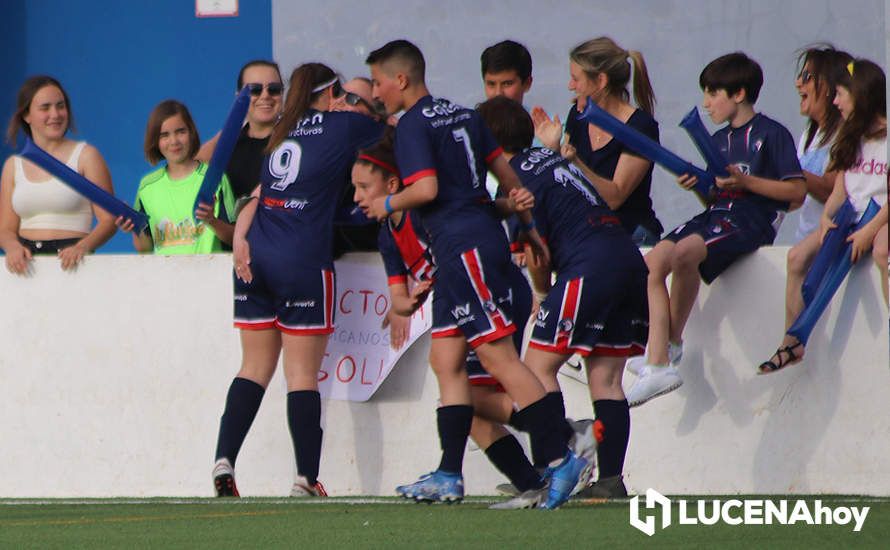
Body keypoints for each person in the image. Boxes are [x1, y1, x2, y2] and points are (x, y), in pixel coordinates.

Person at [365, 39, 593, 510]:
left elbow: (425, 189)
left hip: (463, 246)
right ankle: (449, 474)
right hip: (469, 244)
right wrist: (528, 228)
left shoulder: (411, 126)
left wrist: (384, 203)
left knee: (497, 360)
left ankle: (560, 453)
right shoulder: (467, 115)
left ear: (401, 79)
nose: (375, 91)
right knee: (446, 362)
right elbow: (509, 179)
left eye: (378, 81)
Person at [212, 63, 384, 498]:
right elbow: (393, 132)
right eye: (342, 92)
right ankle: (306, 478)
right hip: (301, 258)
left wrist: (240, 241)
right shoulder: (345, 125)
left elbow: (255, 195)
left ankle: (224, 459)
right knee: (303, 375)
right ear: (330, 93)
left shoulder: (280, 132)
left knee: (253, 368)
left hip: (256, 253)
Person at [351, 133, 547, 506]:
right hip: (457, 294)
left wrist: (510, 203)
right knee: (462, 404)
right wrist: (406, 303)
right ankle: (530, 479)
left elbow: (480, 214)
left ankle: (562, 439)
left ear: (393, 185)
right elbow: (400, 299)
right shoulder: (387, 236)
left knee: (472, 384)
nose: (357, 197)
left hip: (493, 288)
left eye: (363, 187)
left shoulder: (424, 211)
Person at [479, 96, 648, 500]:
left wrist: (542, 291)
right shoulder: (551, 161)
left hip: (587, 267)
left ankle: (550, 468)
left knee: (536, 368)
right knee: (607, 379)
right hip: (626, 260)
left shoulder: (514, 179)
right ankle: (610, 481)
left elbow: (539, 251)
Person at [627, 52, 805, 404]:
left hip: (750, 221)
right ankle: (662, 354)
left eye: (712, 93)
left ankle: (665, 351)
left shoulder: (772, 134)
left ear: (738, 93)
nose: (707, 103)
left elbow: (796, 193)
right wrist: (697, 184)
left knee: (683, 254)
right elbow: (714, 197)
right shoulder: (719, 140)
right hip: (718, 216)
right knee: (653, 262)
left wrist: (746, 181)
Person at [760, 58, 888, 373]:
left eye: (841, 94)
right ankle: (792, 341)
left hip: (880, 216)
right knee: (797, 257)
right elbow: (839, 192)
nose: (835, 101)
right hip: (850, 216)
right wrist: (825, 217)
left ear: (860, 95)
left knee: (883, 251)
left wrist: (869, 231)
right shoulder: (850, 139)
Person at [531, 36, 663, 246]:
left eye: (576, 79)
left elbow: (615, 198)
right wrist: (553, 150)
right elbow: (567, 183)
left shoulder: (640, 128)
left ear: (601, 81)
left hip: (630, 232)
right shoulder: (578, 115)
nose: (570, 85)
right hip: (590, 228)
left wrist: (576, 162)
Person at [0, 75, 117, 273]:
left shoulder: (86, 156)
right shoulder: (14, 165)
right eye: (45, 108)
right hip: (27, 267)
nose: (55, 114)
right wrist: (12, 247)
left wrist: (82, 247)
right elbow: (6, 229)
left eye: (60, 106)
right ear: (26, 115)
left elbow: (109, 220)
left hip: (74, 263)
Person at [117, 100, 235, 254]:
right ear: (155, 141)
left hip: (207, 276)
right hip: (165, 277)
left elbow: (236, 238)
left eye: (181, 132)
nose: (174, 141)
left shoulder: (215, 179)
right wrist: (134, 228)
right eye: (164, 135)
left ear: (191, 132)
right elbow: (145, 249)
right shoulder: (147, 187)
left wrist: (211, 220)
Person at [790, 46, 854, 243]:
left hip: (832, 241)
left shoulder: (847, 133)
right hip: (804, 240)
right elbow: (794, 197)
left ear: (828, 86)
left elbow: (831, 190)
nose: (798, 83)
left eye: (807, 76)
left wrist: (786, 168)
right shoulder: (810, 134)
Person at [197, 60, 284, 200]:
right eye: (255, 89)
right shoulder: (230, 143)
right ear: (239, 96)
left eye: (274, 89)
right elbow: (191, 167)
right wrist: (234, 122)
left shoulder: (296, 139)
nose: (265, 95)